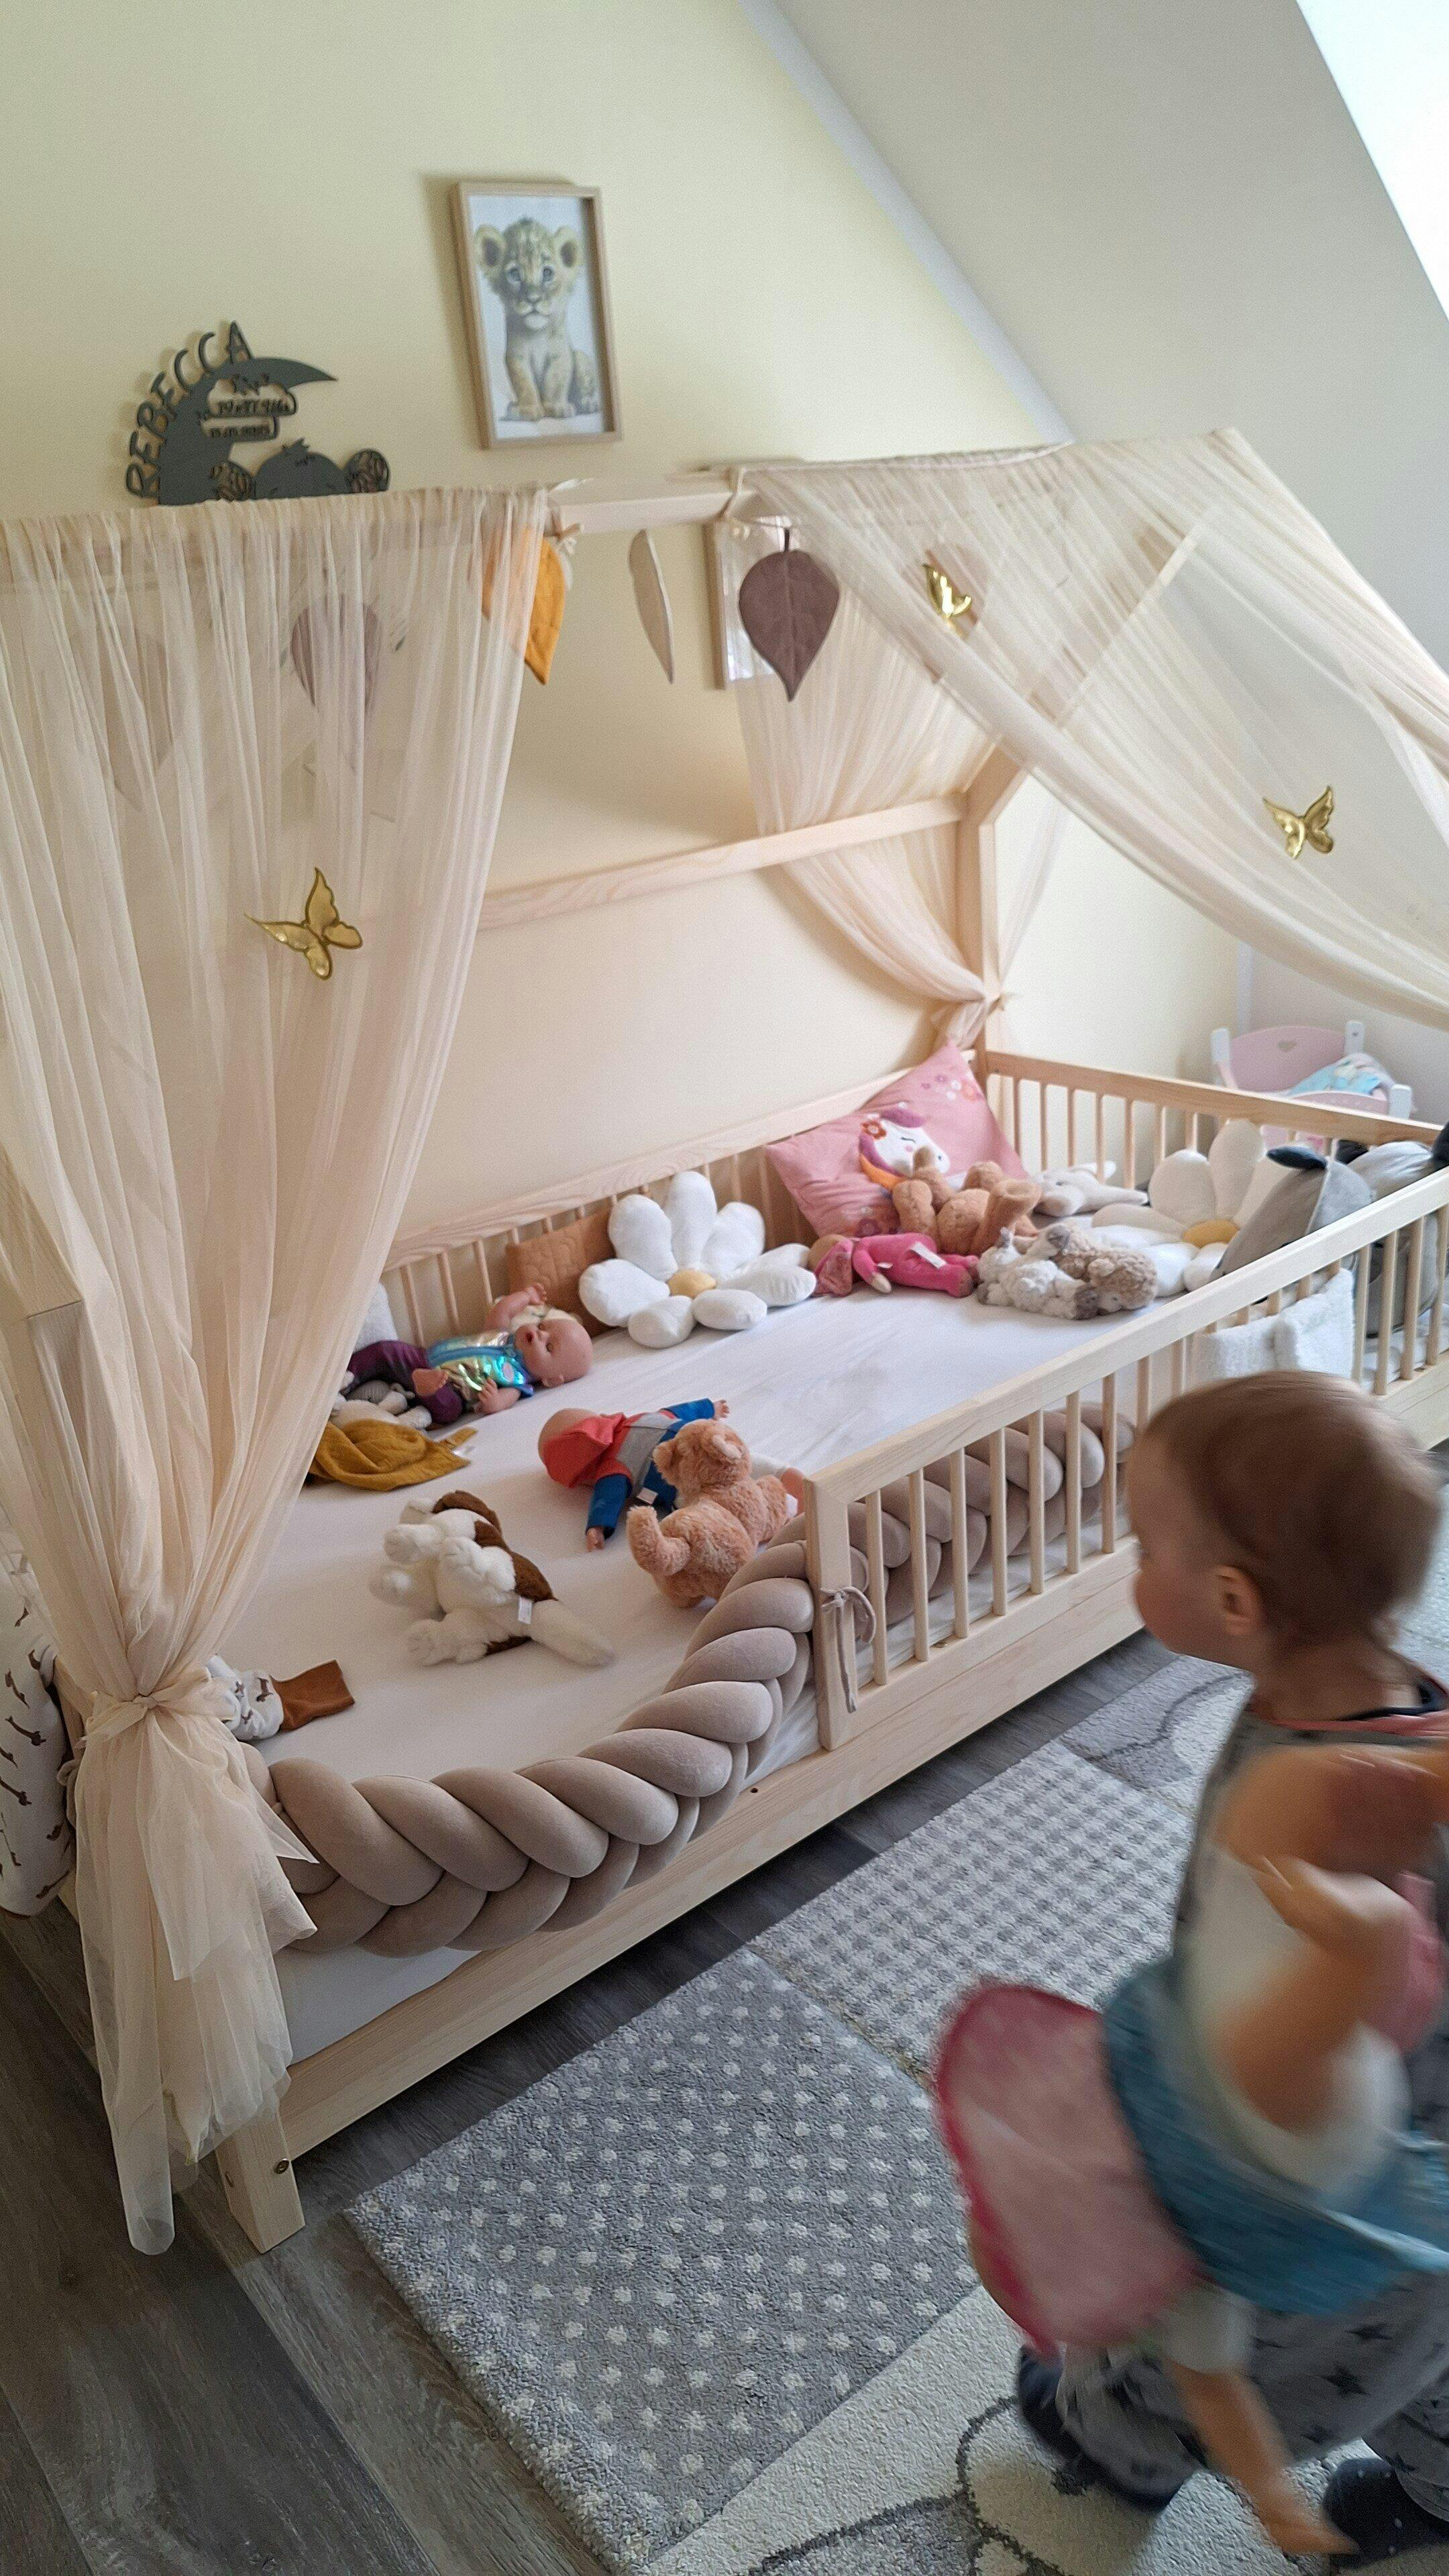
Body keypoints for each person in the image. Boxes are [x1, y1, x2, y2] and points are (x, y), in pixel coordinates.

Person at [1016, 1372, 1449, 2561]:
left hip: (1316, 2184)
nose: (1131, 1565)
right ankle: (1438, 2487)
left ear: (1232, 1600)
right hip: (1427, 2189)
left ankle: (1124, 2444)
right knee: (1427, 2356)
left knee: (1209, 2333)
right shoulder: (1404, 1718)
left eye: (1143, 1545)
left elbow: (1274, 2046)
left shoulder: (1319, 1805)